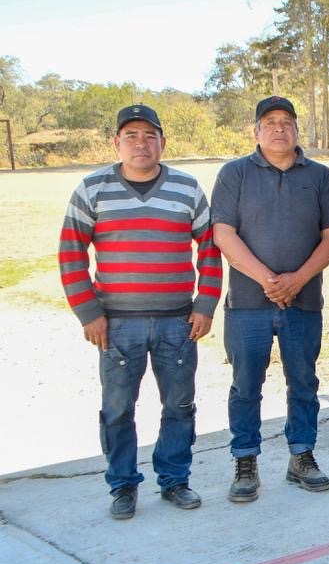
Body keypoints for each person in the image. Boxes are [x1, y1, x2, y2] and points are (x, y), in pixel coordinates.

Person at [58, 104, 222, 519]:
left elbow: (209, 248)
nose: (141, 144)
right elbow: (71, 252)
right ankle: (123, 485)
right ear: (117, 142)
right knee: (117, 410)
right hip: (116, 325)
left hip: (178, 322)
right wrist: (88, 312)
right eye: (131, 136)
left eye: (150, 136)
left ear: (163, 142)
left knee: (179, 406)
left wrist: (205, 304)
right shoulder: (92, 189)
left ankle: (174, 480)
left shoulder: (187, 189)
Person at [211, 96, 329, 503]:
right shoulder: (234, 174)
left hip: (303, 304)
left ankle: (301, 456)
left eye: (287, 121)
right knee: (245, 384)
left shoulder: (321, 177)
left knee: (303, 382)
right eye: (270, 122)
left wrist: (297, 280)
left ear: (296, 130)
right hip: (247, 304)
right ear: (256, 132)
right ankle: (245, 460)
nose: (279, 128)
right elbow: (223, 234)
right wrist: (269, 280)